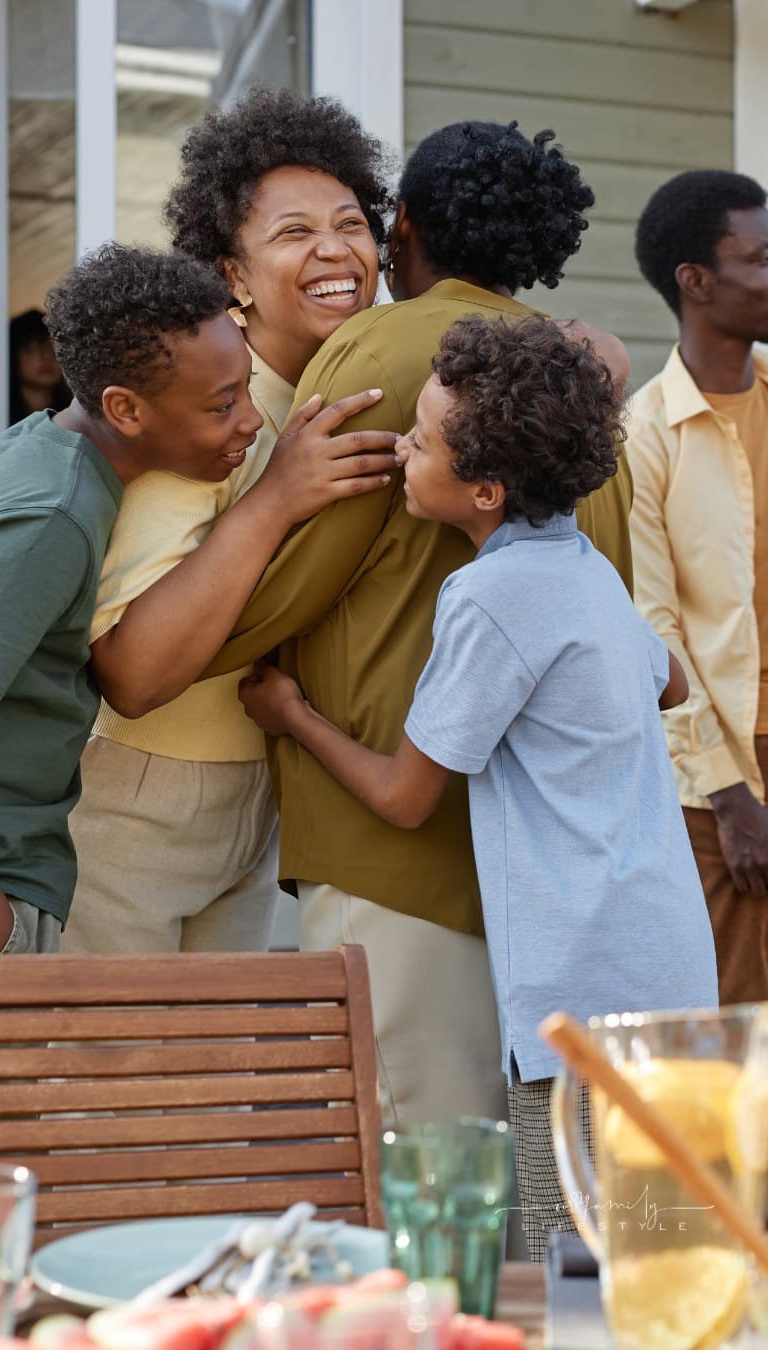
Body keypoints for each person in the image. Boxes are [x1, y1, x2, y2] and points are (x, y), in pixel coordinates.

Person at [0, 242, 394, 1253]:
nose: (248, 425)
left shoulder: (56, 456)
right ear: (124, 409)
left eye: (246, 393)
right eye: (220, 409)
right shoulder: (54, 520)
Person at [239, 314, 719, 1260]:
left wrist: (293, 716)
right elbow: (668, 682)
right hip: (663, 956)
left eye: (421, 441)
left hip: (579, 991)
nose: (404, 450)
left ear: (485, 490)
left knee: (570, 1250)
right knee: (664, 1245)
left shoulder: (491, 598)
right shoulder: (582, 566)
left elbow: (406, 794)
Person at [200, 120, 635, 1127]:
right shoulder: (572, 383)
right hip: (537, 868)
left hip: (386, 845)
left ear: (403, 228)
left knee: (410, 1183)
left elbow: (286, 583)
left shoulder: (385, 347)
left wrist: (176, 636)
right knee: (521, 1195)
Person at [64, 88, 394, 957]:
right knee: (117, 1083)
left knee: (219, 1080)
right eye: (293, 232)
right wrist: (276, 494)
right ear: (231, 273)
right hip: (138, 795)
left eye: (351, 223)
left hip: (258, 792)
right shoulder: (203, 399)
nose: (334, 250)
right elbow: (130, 674)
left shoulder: (339, 389)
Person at [629, 169, 768, 1004]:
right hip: (724, 790)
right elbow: (655, 631)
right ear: (696, 281)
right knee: (737, 1040)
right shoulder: (644, 437)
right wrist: (729, 797)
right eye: (760, 257)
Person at [9, 308, 71, 424]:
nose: (47, 357)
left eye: (54, 349)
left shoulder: (76, 416)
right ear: (13, 356)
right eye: (31, 349)